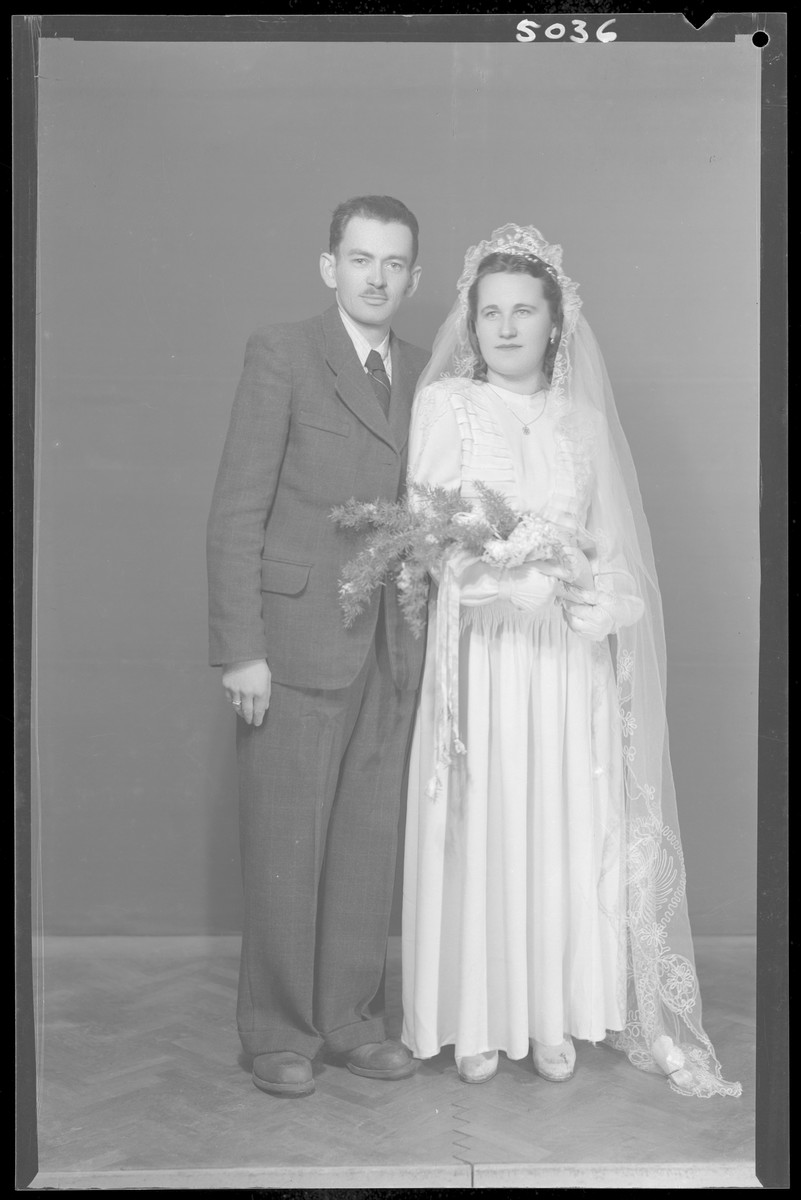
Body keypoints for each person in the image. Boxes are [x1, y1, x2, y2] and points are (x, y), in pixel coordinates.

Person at [401, 224, 741, 1098]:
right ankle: (477, 1020)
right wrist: (488, 582)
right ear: (469, 324)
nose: (505, 328)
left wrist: (608, 599)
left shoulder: (581, 423)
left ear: (555, 324)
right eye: (489, 313)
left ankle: (551, 1016)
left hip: (562, 662)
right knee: (486, 825)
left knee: (558, 826)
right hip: (483, 654)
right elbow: (426, 533)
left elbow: (610, 545)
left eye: (524, 312)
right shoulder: (445, 405)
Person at [206, 196, 429, 1098]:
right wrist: (239, 650)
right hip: (293, 644)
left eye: (394, 262)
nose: (376, 277)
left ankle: (349, 1022)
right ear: (328, 266)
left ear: (413, 277)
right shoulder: (283, 354)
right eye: (360, 258)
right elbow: (236, 511)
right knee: (285, 842)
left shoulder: (429, 372)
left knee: (366, 844)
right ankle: (277, 1032)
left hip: (392, 647)